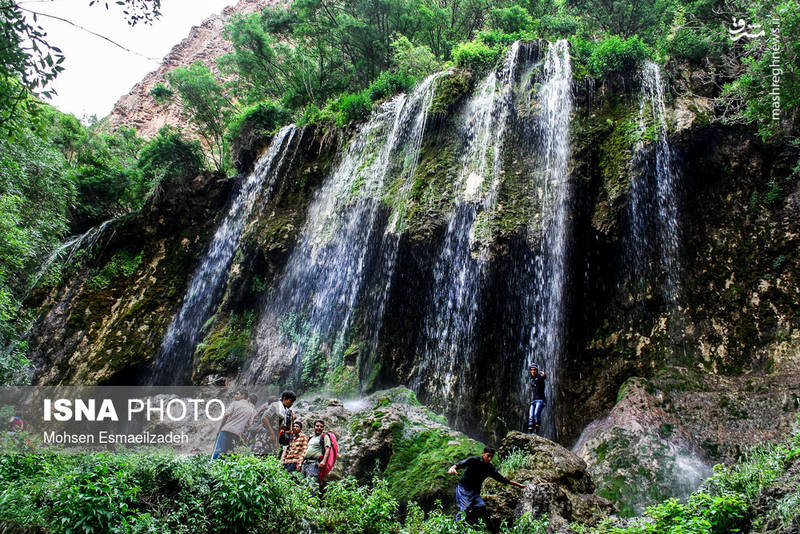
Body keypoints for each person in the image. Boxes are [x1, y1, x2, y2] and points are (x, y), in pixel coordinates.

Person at [448, 446, 527, 523]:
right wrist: (453, 468)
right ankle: (458, 526)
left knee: (481, 506)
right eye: (488, 456)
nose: (489, 459)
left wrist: (518, 485)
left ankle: (471, 523)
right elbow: (461, 464)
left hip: (475, 492)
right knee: (465, 507)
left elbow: (501, 479)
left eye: (491, 457)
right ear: (483, 453)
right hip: (464, 488)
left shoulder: (489, 468)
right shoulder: (474, 460)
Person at [211, 390, 256, 459]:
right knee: (231, 455)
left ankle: (212, 467)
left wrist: (220, 428)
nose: (235, 396)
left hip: (226, 430)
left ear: (243, 396)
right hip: (237, 434)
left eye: (237, 394)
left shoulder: (235, 403)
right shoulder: (251, 410)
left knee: (219, 451)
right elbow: (250, 424)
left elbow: (226, 415)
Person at [260, 391, 296, 456]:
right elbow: (264, 418)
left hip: (274, 435)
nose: (292, 403)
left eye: (293, 402)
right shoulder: (275, 406)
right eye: (291, 401)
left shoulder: (285, 410)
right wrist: (272, 432)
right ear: (284, 399)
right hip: (266, 434)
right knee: (262, 455)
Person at [527, 363, 546, 434]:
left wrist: (544, 375)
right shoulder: (532, 379)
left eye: (534, 370)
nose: (532, 371)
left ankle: (536, 431)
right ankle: (530, 431)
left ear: (537, 370)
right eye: (531, 370)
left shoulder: (539, 377)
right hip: (534, 401)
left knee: (536, 414)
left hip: (540, 400)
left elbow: (543, 377)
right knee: (531, 416)